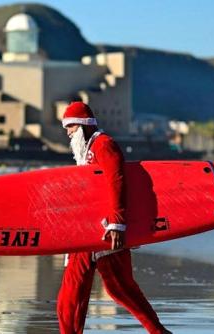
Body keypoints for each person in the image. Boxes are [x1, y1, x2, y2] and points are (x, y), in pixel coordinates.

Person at [57, 101, 171, 334]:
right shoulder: (86, 150)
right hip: (85, 229)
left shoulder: (104, 144)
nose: (67, 133)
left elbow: (116, 181)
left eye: (70, 127)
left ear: (81, 126)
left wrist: (117, 223)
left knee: (120, 288)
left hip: (106, 229)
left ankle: (158, 331)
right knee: (71, 292)